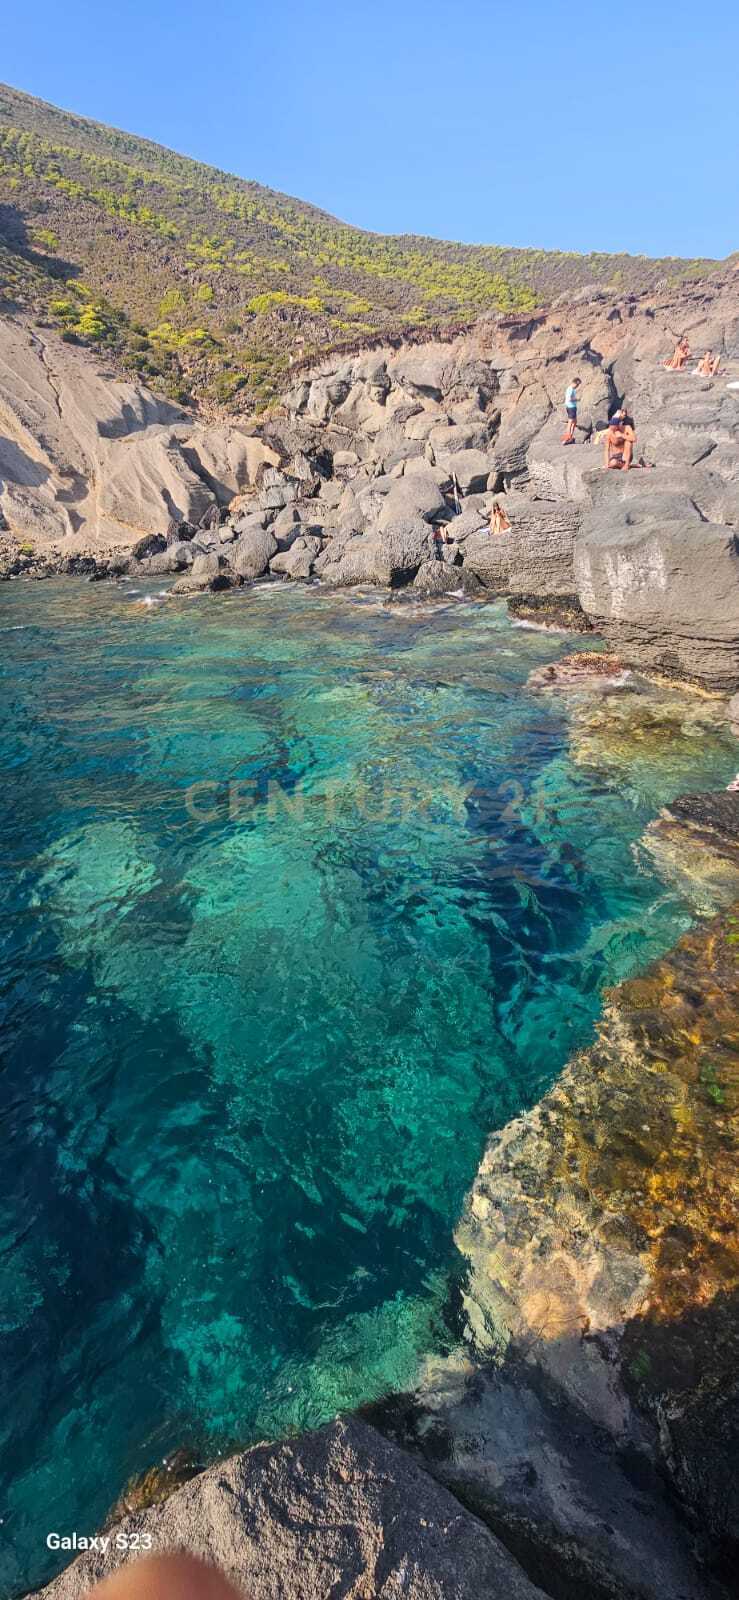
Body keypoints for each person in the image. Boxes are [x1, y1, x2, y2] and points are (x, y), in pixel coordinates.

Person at [562, 377, 581, 444]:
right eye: (577, 384)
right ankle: (567, 436)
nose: (577, 386)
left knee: (575, 421)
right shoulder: (570, 389)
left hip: (571, 407)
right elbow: (570, 399)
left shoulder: (571, 389)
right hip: (571, 407)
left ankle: (570, 436)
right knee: (570, 422)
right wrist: (577, 399)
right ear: (574, 383)